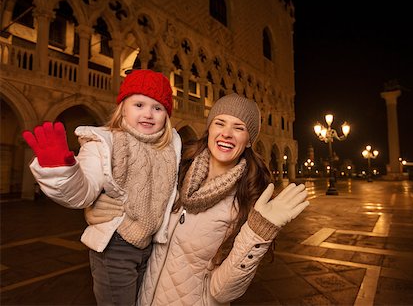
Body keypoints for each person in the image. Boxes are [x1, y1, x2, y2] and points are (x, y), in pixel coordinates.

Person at [86, 93, 310, 305]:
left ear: (249, 140)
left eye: (239, 128)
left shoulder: (245, 200)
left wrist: (259, 232)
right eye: (220, 123)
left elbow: (223, 292)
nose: (227, 133)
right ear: (209, 129)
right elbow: (139, 199)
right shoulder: (176, 171)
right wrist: (101, 209)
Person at [22, 70, 182, 306]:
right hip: (115, 246)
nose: (148, 114)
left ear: (166, 116)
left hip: (150, 247)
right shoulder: (104, 142)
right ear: (123, 108)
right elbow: (82, 191)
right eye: (139, 104)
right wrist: (61, 171)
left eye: (157, 108)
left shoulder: (171, 148)